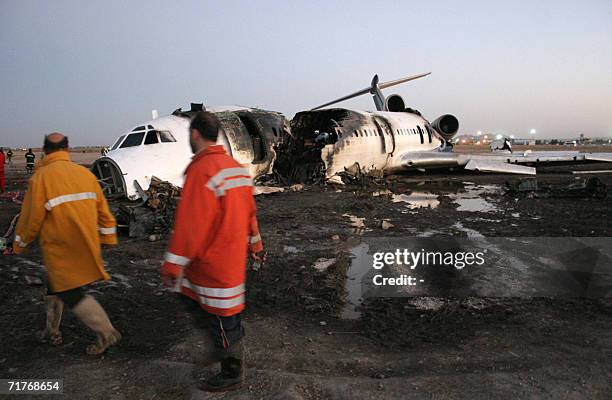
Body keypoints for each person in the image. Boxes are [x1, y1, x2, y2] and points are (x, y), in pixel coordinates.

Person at [160, 111, 264, 392]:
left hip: (211, 263)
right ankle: (227, 351)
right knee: (225, 315)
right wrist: (255, 244)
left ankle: (230, 368)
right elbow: (250, 214)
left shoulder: (202, 170)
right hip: (232, 261)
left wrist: (172, 265)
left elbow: (190, 225)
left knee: (215, 316)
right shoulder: (236, 169)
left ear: (195, 135)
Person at [13, 133, 121, 355]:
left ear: (45, 150)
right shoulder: (85, 174)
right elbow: (104, 211)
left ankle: (106, 332)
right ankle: (51, 331)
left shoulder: (41, 178)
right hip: (85, 242)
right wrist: (108, 238)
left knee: (71, 292)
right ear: (67, 148)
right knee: (55, 287)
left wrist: (19, 244)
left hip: (60, 246)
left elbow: (30, 219)